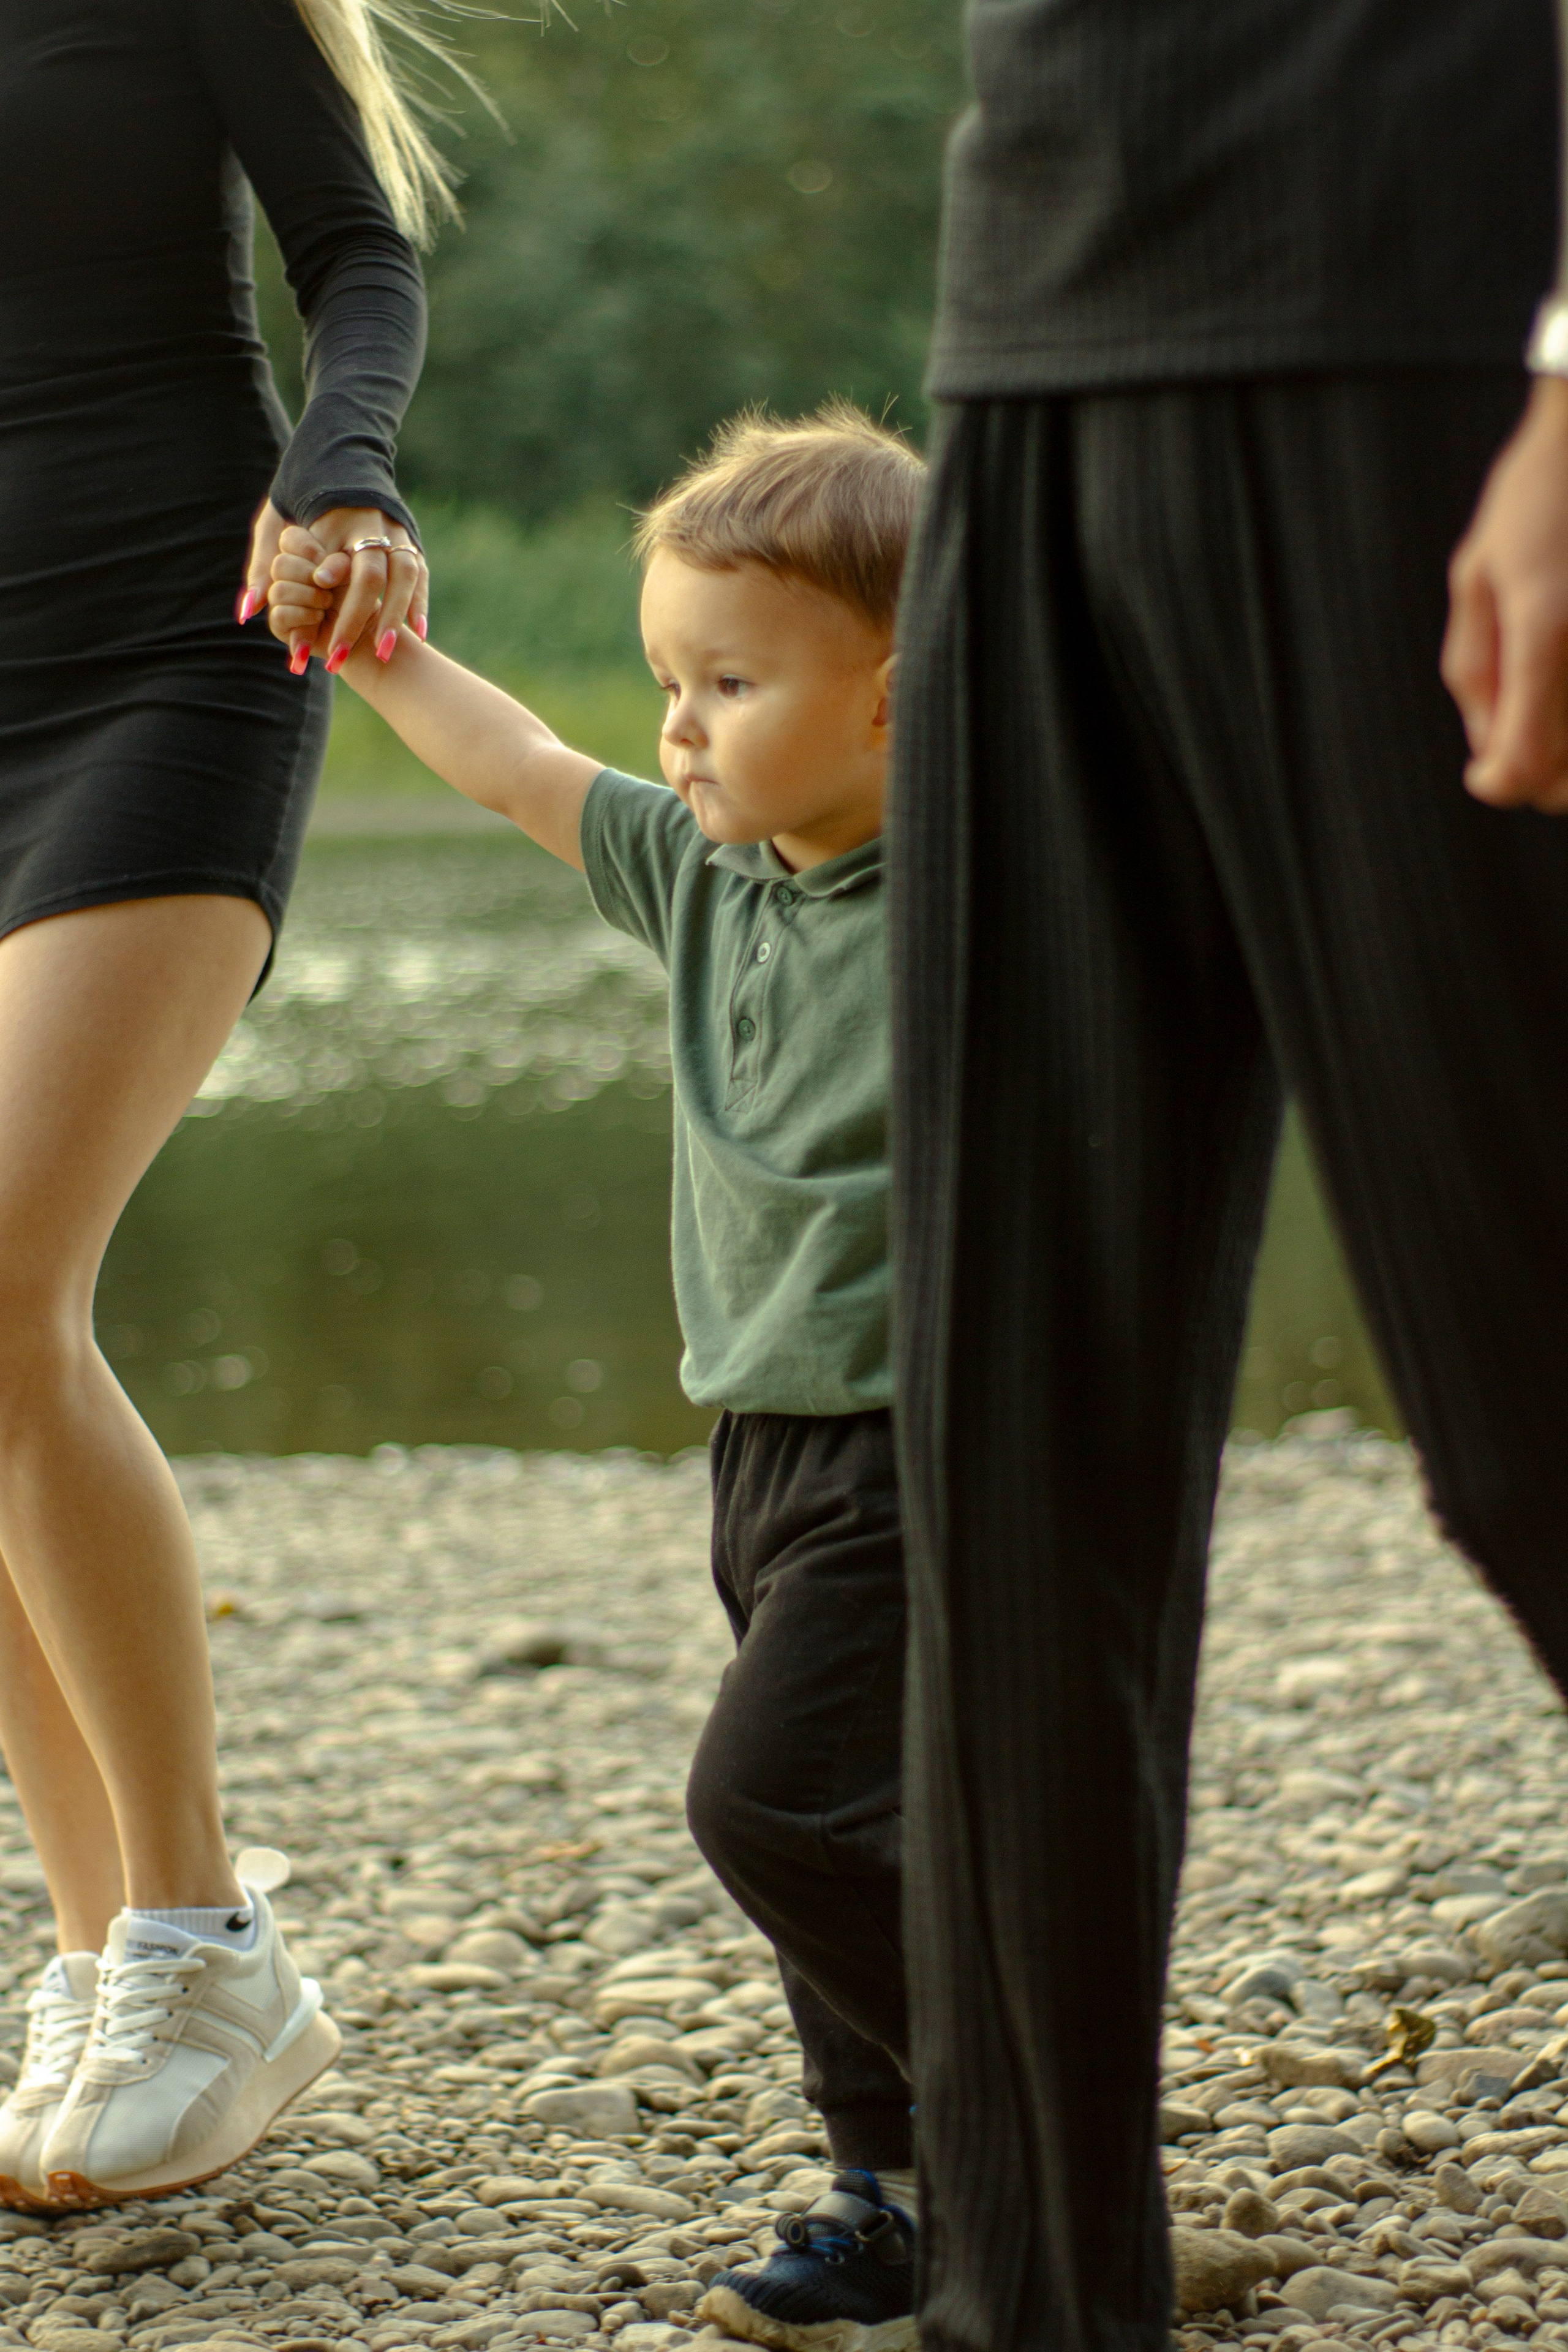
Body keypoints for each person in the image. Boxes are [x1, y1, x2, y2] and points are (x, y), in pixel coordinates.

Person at [885, 0, 1568, 2346]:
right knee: (1012, 1452)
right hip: (1030, 341)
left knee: (1533, 1412)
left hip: (1427, 329)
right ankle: (1025, 2306)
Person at [270, 405, 925, 2352]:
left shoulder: (979, 886)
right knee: (849, 1838)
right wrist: (367, 638)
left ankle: (1030, 2110)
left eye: (731, 682)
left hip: (930, 1445)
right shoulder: (703, 880)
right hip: (762, 1443)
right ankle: (890, 2198)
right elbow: (515, 767)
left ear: (903, 704)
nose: (680, 724)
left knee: (772, 1806)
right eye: (667, 679)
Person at [0, 0, 447, 2212]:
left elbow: (363, 253)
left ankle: (204, 1935)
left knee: (1, 1279)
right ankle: (100, 1950)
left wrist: (342, 466)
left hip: (174, 633)